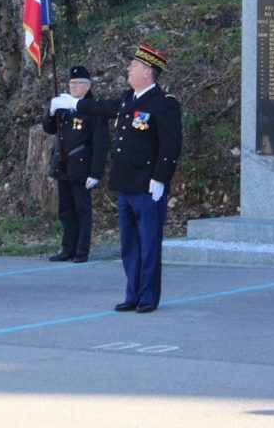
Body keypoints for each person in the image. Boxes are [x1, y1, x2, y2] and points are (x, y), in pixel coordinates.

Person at [50, 44, 182, 314]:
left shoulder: (164, 103)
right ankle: (132, 293)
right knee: (129, 245)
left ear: (147, 71)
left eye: (132, 66)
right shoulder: (128, 98)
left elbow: (171, 145)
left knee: (148, 245)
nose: (128, 69)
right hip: (125, 183)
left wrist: (160, 178)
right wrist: (74, 103)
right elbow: (103, 107)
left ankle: (147, 297)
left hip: (147, 186)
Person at [43, 66, 109, 263]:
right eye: (72, 83)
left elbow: (101, 143)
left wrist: (95, 172)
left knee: (82, 210)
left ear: (88, 86)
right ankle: (68, 248)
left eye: (79, 83)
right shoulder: (65, 106)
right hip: (63, 164)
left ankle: (81, 250)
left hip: (82, 166)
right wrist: (51, 111)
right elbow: (50, 128)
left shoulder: (93, 108)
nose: (75, 86)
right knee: (66, 210)